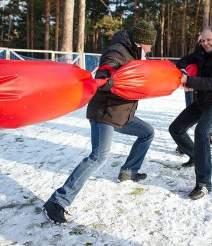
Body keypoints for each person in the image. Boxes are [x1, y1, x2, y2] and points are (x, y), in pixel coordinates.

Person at [43, 20, 157, 224]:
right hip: (104, 113)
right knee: (99, 156)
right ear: (141, 42)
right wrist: (107, 77)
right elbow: (106, 67)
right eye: (149, 45)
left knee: (147, 133)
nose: (150, 49)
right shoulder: (119, 50)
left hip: (121, 114)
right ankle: (57, 201)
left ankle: (128, 171)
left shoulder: (135, 54)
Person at [169, 26, 212, 200]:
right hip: (200, 100)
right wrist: (182, 69)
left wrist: (188, 80)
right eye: (203, 40)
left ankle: (204, 184)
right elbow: (184, 60)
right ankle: (195, 156)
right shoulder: (200, 50)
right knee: (176, 128)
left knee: (202, 132)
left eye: (209, 40)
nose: (205, 43)